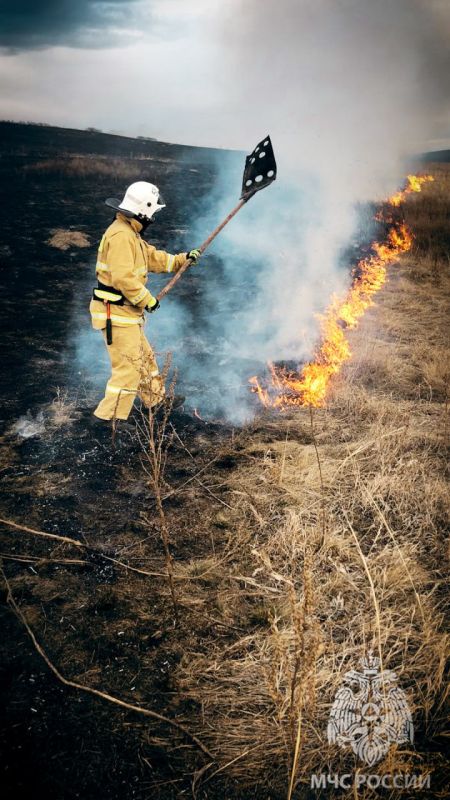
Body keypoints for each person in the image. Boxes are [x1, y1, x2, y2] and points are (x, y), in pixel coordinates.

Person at [89, 181, 200, 432]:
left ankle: (155, 402)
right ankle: (109, 419)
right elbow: (122, 277)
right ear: (144, 210)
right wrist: (146, 299)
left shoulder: (131, 234)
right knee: (128, 366)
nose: (153, 218)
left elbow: (152, 257)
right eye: (153, 212)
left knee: (145, 359)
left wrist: (182, 260)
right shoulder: (120, 236)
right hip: (115, 312)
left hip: (125, 313)